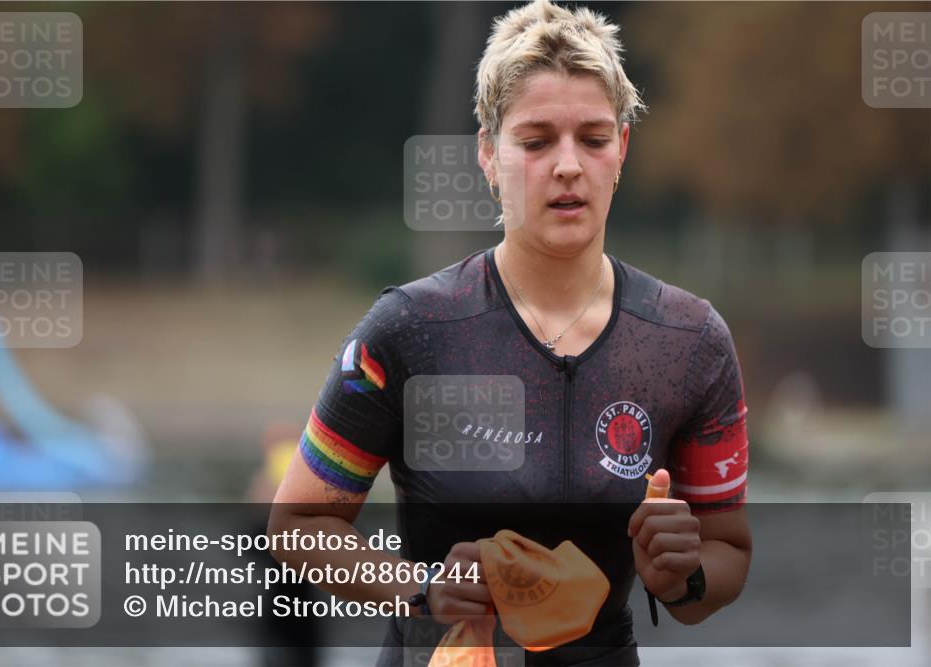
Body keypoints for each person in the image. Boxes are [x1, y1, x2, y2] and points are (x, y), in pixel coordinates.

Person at [269, 1, 752, 665]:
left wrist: (683, 574)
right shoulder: (413, 328)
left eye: (593, 139)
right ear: (488, 155)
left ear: (621, 150)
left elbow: (727, 553)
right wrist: (420, 589)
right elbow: (297, 524)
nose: (567, 165)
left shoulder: (688, 341)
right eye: (535, 141)